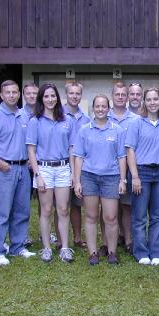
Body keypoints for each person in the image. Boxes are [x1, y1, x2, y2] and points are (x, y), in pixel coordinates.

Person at [0, 80, 36, 265]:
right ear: (1, 95)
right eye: (8, 92)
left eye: (15, 92)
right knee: (1, 212)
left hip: (22, 168)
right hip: (3, 169)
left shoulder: (24, 116)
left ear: (19, 94)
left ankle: (18, 246)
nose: (12, 95)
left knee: (22, 210)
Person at [73, 95, 127, 265]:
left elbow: (121, 157)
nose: (101, 109)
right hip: (89, 176)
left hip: (111, 177)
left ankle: (111, 251)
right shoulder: (84, 130)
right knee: (91, 215)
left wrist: (123, 180)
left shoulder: (117, 130)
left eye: (104, 106)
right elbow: (78, 157)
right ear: (93, 108)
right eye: (98, 106)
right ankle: (93, 252)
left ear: (108, 108)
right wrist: (77, 181)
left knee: (110, 217)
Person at [26, 84, 74, 263]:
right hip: (44, 169)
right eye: (46, 96)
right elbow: (31, 150)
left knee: (63, 209)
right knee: (46, 210)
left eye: (53, 96)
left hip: (63, 168)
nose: (50, 99)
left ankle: (65, 247)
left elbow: (72, 148)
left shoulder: (66, 120)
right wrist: (37, 175)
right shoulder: (35, 121)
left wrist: (72, 173)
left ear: (57, 98)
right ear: (41, 99)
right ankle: (46, 247)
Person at [125, 88, 159, 265]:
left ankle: (156, 253)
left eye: (155, 99)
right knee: (139, 217)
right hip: (141, 173)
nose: (152, 102)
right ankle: (141, 253)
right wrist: (135, 176)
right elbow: (130, 150)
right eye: (149, 100)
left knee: (157, 216)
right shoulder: (136, 123)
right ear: (144, 102)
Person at [108, 82, 139, 254]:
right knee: (109, 206)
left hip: (127, 167)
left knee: (126, 205)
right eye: (117, 94)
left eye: (123, 95)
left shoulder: (135, 120)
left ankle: (127, 239)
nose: (120, 97)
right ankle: (108, 240)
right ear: (112, 96)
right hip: (106, 169)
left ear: (127, 98)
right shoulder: (103, 115)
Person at [64, 82, 91, 249]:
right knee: (61, 205)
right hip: (62, 164)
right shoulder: (58, 115)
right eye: (71, 93)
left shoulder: (86, 119)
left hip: (80, 165)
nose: (74, 96)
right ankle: (60, 240)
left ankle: (77, 237)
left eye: (77, 93)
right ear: (66, 94)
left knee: (76, 203)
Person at [21, 83, 39, 248]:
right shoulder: (19, 115)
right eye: (29, 93)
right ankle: (23, 235)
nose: (32, 96)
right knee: (22, 201)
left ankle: (46, 232)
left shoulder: (45, 114)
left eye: (35, 93)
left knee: (45, 202)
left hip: (42, 165)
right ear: (24, 95)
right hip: (24, 165)